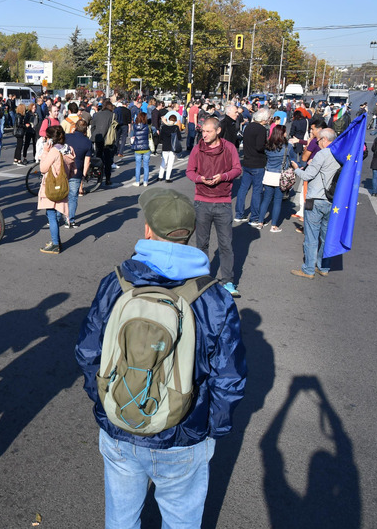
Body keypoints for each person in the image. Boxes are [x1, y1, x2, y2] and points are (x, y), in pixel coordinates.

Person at [76, 187, 247, 529]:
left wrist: (106, 400)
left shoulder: (116, 283)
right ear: (189, 234)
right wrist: (212, 429)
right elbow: (228, 378)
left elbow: (88, 352)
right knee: (181, 520)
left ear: (148, 231)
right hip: (184, 430)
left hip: (120, 424)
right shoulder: (214, 297)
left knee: (121, 520)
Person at [186, 117, 242, 298]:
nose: (204, 134)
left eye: (208, 131)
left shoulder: (229, 148)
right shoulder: (197, 148)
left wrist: (223, 176)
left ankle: (228, 281)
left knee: (226, 245)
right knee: (201, 244)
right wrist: (200, 179)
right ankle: (202, 279)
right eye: (203, 131)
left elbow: (237, 169)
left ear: (218, 131)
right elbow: (190, 171)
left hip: (223, 202)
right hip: (201, 201)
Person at [290, 128, 340, 279]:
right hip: (332, 200)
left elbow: (307, 175)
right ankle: (323, 266)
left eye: (318, 140)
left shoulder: (322, 154)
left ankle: (308, 269)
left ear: (324, 139)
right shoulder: (340, 153)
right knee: (326, 236)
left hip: (316, 199)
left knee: (311, 236)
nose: (317, 143)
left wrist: (296, 169)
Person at [37, 125, 76, 254]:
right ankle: (56, 241)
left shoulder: (54, 151)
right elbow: (74, 170)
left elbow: (43, 168)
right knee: (55, 213)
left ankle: (55, 244)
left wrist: (45, 151)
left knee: (51, 215)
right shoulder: (69, 149)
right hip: (63, 186)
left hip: (51, 187)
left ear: (50, 139)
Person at [256, 125, 300, 232]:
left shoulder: (268, 146)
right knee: (277, 201)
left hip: (268, 174)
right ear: (282, 134)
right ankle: (274, 225)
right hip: (281, 176)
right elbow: (293, 160)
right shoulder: (287, 147)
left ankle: (260, 222)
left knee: (266, 199)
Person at [236, 108, 271, 226]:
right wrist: (267, 145)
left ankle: (239, 214)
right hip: (257, 162)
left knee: (243, 188)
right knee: (257, 191)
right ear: (264, 119)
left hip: (247, 161)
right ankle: (254, 218)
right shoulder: (261, 129)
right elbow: (259, 146)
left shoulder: (248, 127)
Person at [64, 118, 93, 227]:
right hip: (77, 171)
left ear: (75, 127)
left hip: (64, 169)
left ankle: (57, 217)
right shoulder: (87, 142)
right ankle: (70, 220)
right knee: (73, 196)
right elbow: (87, 161)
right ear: (85, 130)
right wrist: (84, 174)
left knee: (61, 195)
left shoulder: (67, 137)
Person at [90, 100, 117, 186]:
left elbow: (93, 127)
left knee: (98, 156)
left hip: (98, 138)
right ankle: (108, 179)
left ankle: (98, 175)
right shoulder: (113, 115)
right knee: (108, 160)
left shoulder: (96, 115)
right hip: (108, 140)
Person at [158, 111, 182, 183]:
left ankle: (160, 176)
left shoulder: (164, 127)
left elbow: (161, 137)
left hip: (165, 146)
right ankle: (167, 178)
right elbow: (179, 137)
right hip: (172, 147)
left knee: (163, 162)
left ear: (168, 119)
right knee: (170, 163)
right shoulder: (176, 128)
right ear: (174, 121)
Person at [131, 111, 152, 186]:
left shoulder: (135, 126)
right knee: (146, 166)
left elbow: (134, 134)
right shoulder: (147, 126)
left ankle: (137, 181)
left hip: (137, 147)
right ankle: (145, 181)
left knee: (138, 166)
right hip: (146, 147)